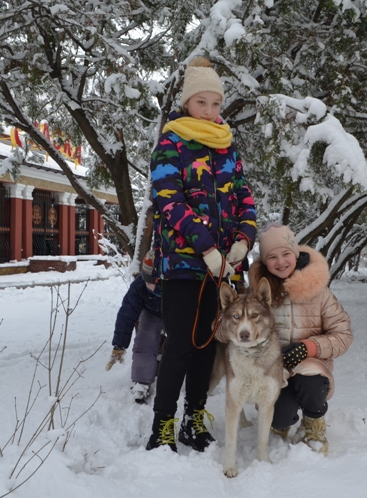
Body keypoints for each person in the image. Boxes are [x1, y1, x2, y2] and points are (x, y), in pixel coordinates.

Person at [147, 56, 257, 451]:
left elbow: (245, 198)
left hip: (224, 269)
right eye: (202, 103)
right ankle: (163, 426)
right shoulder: (172, 142)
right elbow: (168, 201)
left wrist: (244, 238)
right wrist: (207, 248)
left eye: (216, 104)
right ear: (187, 102)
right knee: (179, 344)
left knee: (207, 344)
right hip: (183, 265)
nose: (210, 112)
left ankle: (194, 418)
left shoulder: (227, 147)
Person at [248, 223, 352, 455]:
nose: (281, 261)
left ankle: (313, 424)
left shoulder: (319, 292)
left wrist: (310, 347)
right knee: (278, 417)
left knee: (312, 383)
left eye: (286, 254)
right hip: (274, 370)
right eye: (272, 257)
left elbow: (343, 335)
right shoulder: (257, 293)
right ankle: (281, 421)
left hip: (311, 365)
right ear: (265, 261)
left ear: (295, 254)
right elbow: (233, 329)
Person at [106, 251, 163, 404]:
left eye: (153, 281)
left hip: (177, 312)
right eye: (147, 279)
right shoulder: (139, 286)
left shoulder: (177, 285)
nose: (149, 284)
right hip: (152, 313)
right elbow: (126, 314)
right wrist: (119, 345)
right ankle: (141, 382)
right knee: (145, 339)